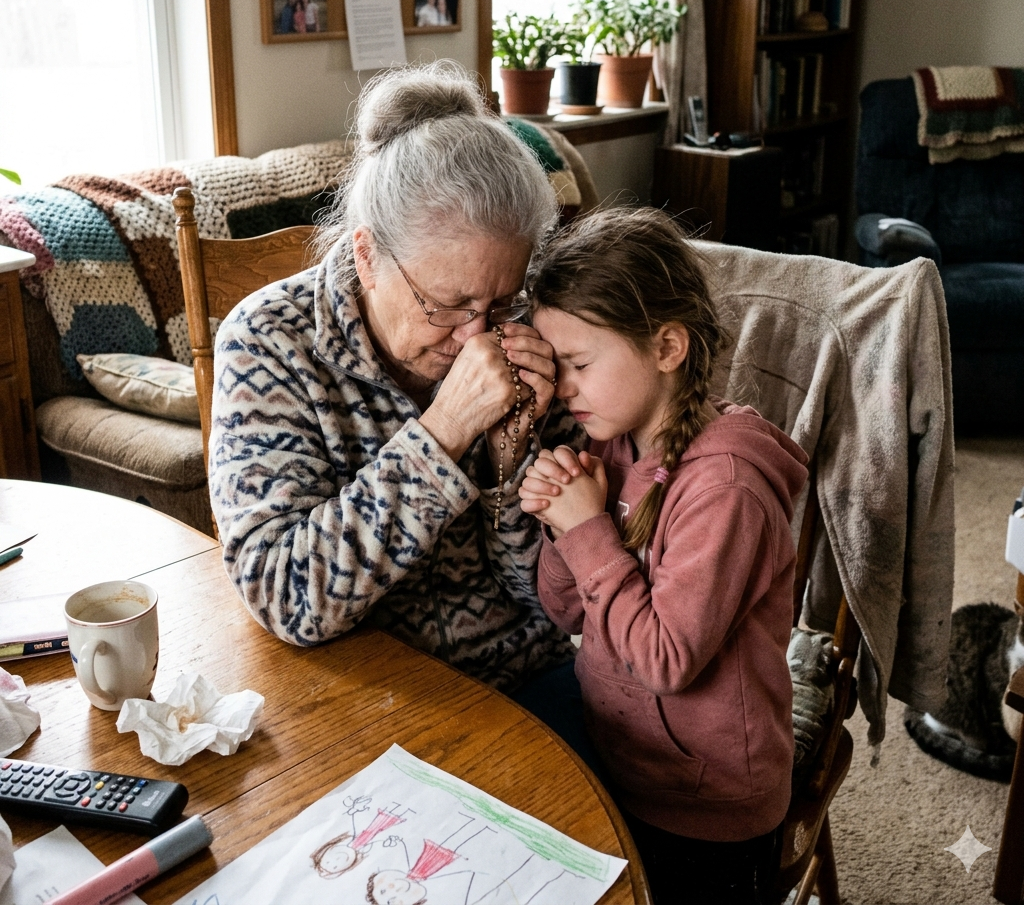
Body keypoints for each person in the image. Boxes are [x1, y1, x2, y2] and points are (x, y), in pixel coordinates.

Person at [209, 61, 578, 699]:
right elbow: (284, 595)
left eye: (499, 303)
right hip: (359, 691)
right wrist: (445, 433)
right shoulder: (269, 343)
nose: (476, 337)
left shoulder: (531, 332)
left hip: (526, 679)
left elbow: (553, 602)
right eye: (447, 303)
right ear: (367, 256)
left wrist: (510, 463)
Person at [518, 208, 808, 905]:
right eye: (557, 366)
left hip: (710, 810)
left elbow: (666, 660)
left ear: (667, 347)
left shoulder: (726, 491)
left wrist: (587, 531)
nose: (563, 388)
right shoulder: (613, 448)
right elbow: (559, 609)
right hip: (621, 763)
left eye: (580, 364)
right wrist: (564, 516)